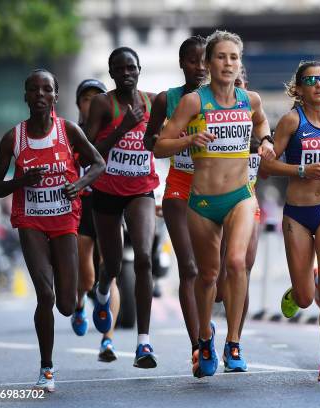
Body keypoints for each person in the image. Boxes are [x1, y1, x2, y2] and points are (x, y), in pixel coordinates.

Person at [155, 30, 275, 377]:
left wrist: (265, 140)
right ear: (208, 63)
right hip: (203, 201)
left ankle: (234, 342)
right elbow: (160, 146)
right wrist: (189, 138)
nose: (228, 63)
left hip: (240, 195)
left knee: (236, 264)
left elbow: (262, 120)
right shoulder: (194, 102)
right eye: (220, 57)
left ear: (240, 64)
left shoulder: (249, 99)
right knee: (207, 275)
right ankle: (205, 337)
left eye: (233, 58)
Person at [0, 69, 105, 391]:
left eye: (46, 90)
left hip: (65, 220)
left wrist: (78, 185)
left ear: (55, 96)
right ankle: (46, 367)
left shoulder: (67, 131)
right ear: (25, 96)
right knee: (45, 295)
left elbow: (98, 164)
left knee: (65, 304)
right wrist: (22, 181)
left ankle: (74, 297)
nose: (40, 95)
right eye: (33, 90)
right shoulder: (14, 138)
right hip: (31, 221)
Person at [262, 60, 320, 382]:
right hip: (298, 213)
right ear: (299, 89)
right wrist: (302, 170)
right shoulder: (290, 121)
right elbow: (266, 169)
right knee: (306, 297)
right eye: (311, 81)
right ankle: (298, 290)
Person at [85, 47, 159, 369]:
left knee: (143, 257)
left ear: (139, 69)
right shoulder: (104, 104)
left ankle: (143, 343)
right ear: (112, 74)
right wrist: (122, 128)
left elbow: (169, 135)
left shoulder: (155, 101)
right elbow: (88, 152)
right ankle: (102, 292)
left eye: (131, 67)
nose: (126, 73)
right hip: (106, 191)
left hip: (142, 189)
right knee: (112, 265)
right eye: (119, 69)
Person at [143, 35, 206, 369]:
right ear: (182, 64)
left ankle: (211, 330)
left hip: (217, 190)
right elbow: (149, 141)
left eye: (203, 61)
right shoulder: (166, 100)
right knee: (190, 268)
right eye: (192, 61)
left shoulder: (225, 100)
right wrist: (174, 140)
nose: (199, 67)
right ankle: (198, 345)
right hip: (180, 188)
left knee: (218, 274)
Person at [70, 78, 121, 363]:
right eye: (86, 98)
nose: (92, 103)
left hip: (111, 202)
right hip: (81, 205)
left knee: (109, 271)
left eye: (97, 97)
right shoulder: (69, 132)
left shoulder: (114, 130)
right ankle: (79, 303)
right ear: (79, 103)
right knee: (87, 275)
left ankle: (107, 340)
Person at [215, 65, 261, 340]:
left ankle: (235, 341)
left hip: (247, 202)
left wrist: (267, 147)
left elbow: (273, 164)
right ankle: (205, 334)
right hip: (215, 202)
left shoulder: (258, 119)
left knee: (241, 267)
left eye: (241, 83)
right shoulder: (214, 117)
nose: (236, 90)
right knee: (219, 287)